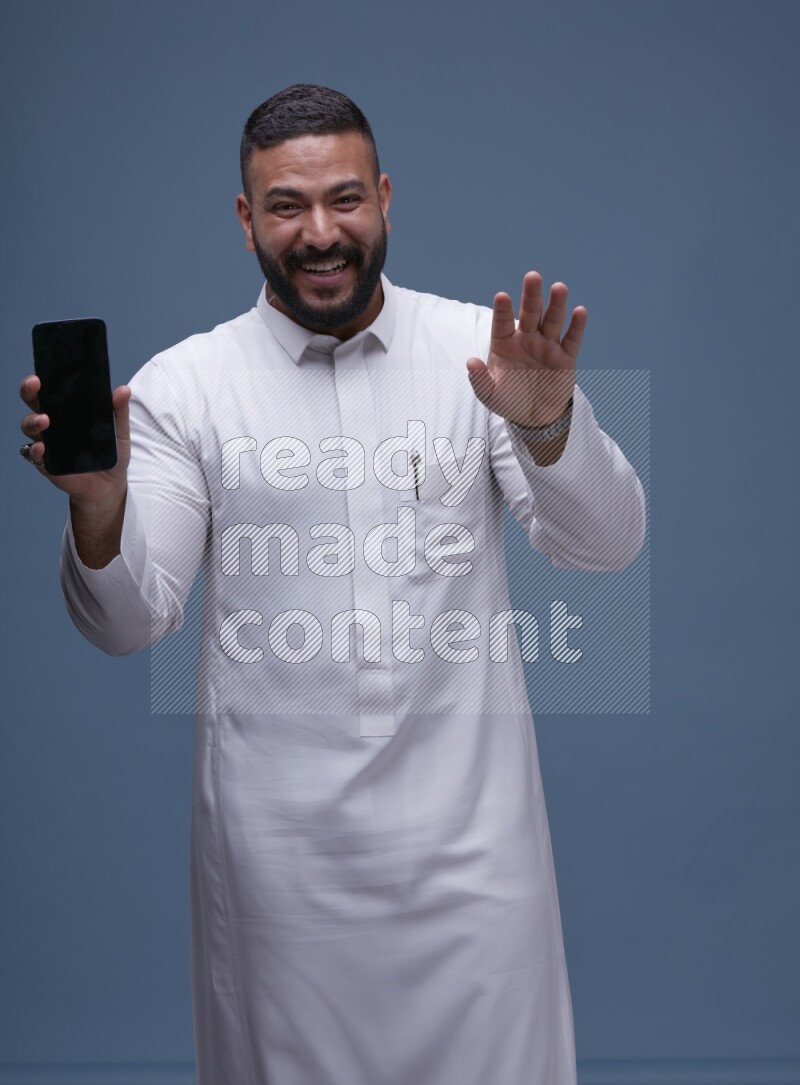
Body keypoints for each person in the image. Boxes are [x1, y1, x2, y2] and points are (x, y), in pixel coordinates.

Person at [19, 84, 645, 1085]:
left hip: (475, 868)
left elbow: (604, 546)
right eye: (286, 206)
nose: (320, 232)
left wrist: (546, 426)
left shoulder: (482, 357)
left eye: (344, 199)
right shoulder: (184, 387)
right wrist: (96, 502)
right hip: (279, 881)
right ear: (244, 219)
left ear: (386, 198)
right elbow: (131, 621)